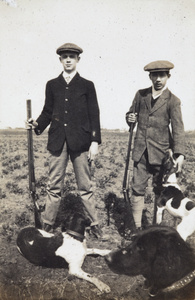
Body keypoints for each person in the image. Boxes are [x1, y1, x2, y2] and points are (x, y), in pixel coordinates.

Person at [27, 42, 106, 239]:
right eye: (65, 57)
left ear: (78, 59)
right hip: (57, 142)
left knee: (85, 187)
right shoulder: (52, 85)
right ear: (60, 60)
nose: (68, 59)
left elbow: (94, 113)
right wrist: (36, 124)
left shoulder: (87, 85)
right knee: (54, 186)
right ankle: (47, 226)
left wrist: (94, 141)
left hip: (81, 143)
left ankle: (95, 225)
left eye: (72, 56)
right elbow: (47, 111)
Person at [126, 60, 185, 230]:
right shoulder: (140, 95)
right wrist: (130, 117)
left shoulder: (173, 101)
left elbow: (178, 128)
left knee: (160, 192)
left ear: (168, 76)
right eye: (155, 75)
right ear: (150, 76)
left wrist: (179, 153)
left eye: (162, 75)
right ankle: (136, 229)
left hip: (162, 155)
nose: (158, 79)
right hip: (141, 152)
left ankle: (156, 229)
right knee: (137, 188)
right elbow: (131, 114)